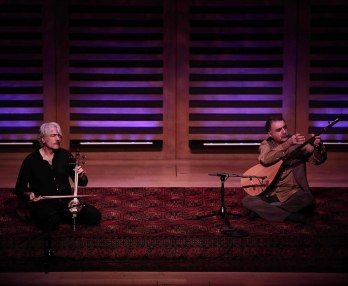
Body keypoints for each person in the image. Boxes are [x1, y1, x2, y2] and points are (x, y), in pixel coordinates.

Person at [15, 122, 101, 232]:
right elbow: (19, 188)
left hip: (65, 203)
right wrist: (28, 194)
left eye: (59, 135)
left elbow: (82, 182)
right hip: (43, 204)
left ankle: (62, 215)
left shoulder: (66, 156)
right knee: (51, 223)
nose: (57, 138)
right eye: (53, 135)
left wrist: (81, 175)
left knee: (95, 216)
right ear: (42, 139)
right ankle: (54, 217)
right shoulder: (30, 160)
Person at [242, 115, 327, 223]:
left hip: (293, 193)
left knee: (307, 198)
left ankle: (269, 212)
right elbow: (265, 160)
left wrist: (318, 148)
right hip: (272, 193)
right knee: (247, 200)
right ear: (270, 134)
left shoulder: (298, 144)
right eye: (278, 130)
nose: (284, 132)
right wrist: (287, 144)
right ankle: (289, 215)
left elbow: (317, 160)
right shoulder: (266, 144)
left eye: (285, 127)